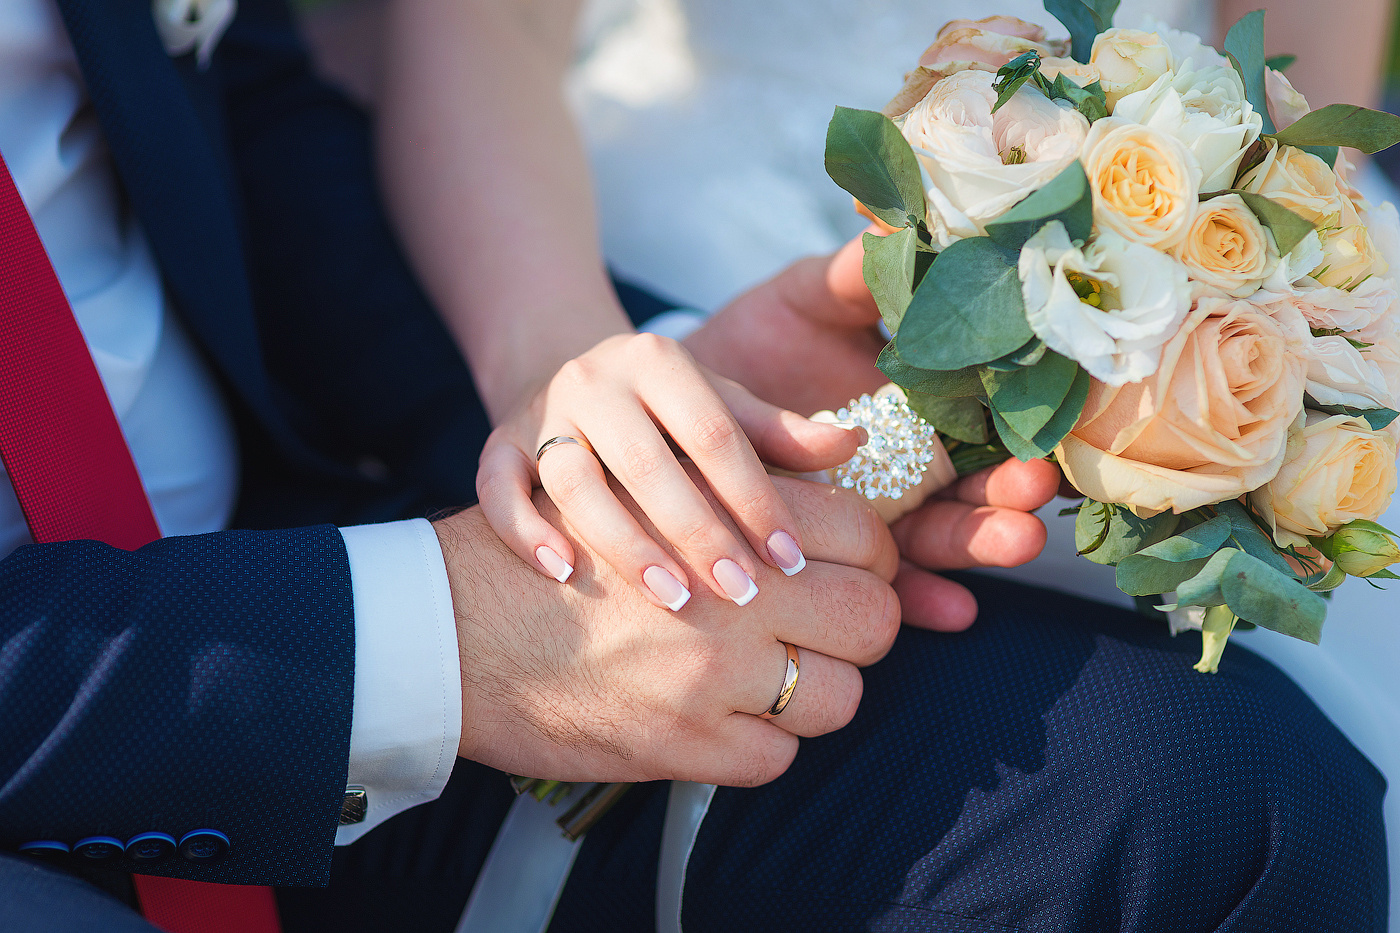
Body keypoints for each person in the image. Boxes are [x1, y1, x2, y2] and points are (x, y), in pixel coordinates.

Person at [276, 0, 1388, 930]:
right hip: (645, 247)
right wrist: (566, 371)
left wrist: (1197, 300)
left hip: (1152, 303)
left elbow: (1289, 123)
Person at [0, 2, 1060, 932]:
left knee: (1162, 799)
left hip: (291, 509)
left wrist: (622, 411)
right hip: (142, 694)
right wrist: (439, 646)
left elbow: (238, 131)